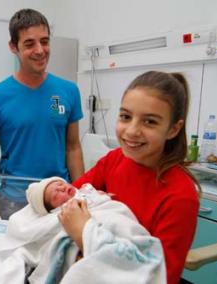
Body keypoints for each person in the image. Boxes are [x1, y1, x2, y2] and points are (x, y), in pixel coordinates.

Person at [69, 71, 200, 284]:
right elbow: (70, 198)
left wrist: (84, 234)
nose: (132, 130)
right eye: (125, 116)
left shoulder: (180, 196)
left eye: (149, 122)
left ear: (173, 129)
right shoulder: (114, 160)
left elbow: (160, 277)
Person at [0, 8, 84, 220]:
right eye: (29, 44)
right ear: (13, 47)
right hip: (15, 199)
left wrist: (81, 191)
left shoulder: (68, 91)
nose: (40, 50)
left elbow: (73, 147)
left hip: (60, 195)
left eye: (44, 42)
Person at [0, 177, 166, 284]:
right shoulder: (60, 214)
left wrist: (100, 196)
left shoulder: (86, 190)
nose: (62, 189)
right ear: (52, 209)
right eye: (56, 194)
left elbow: (107, 205)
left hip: (110, 215)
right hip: (93, 229)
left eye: (60, 184)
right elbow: (49, 233)